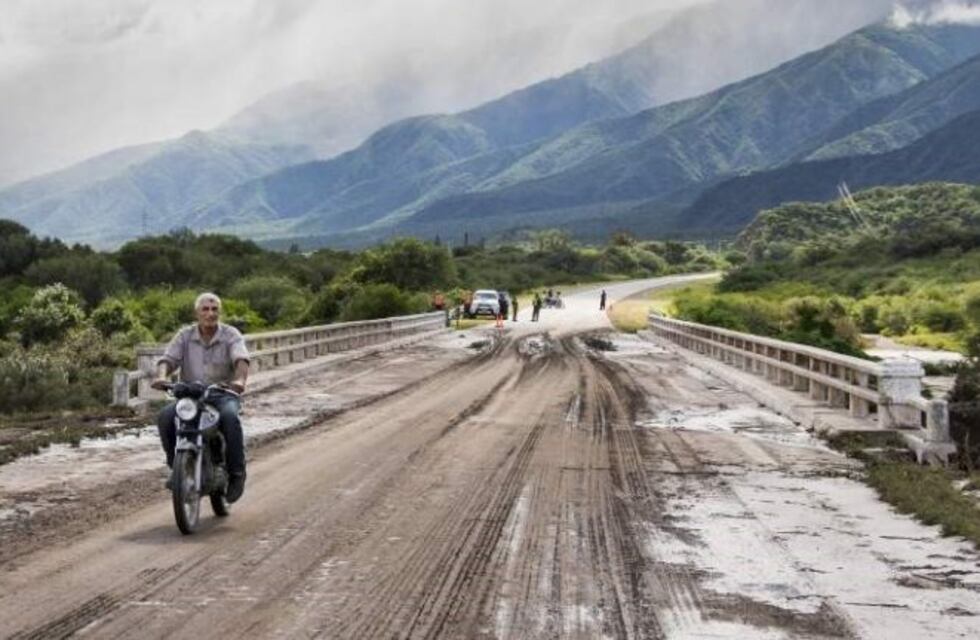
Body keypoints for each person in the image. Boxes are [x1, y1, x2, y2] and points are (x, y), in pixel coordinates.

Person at [151, 293, 250, 503]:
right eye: (205, 309)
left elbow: (241, 359)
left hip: (222, 393)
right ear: (197, 313)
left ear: (219, 313)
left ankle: (237, 474)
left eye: (214, 309)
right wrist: (161, 377)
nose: (210, 313)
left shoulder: (230, 334)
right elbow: (168, 359)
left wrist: (239, 381)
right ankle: (176, 468)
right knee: (165, 417)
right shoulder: (185, 335)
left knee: (231, 418)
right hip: (190, 395)